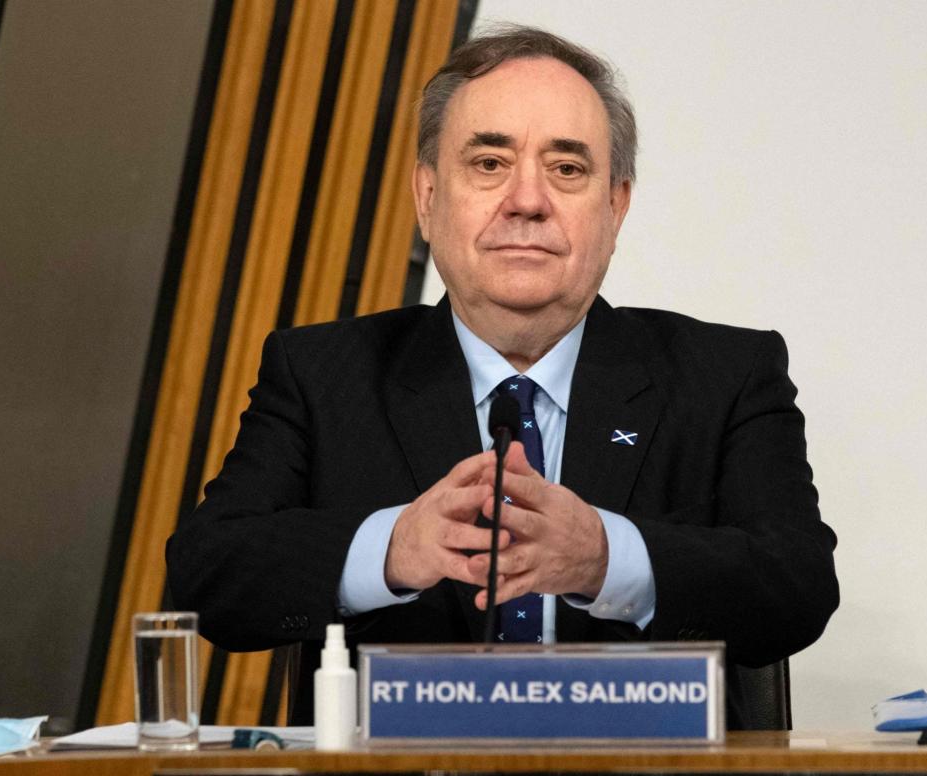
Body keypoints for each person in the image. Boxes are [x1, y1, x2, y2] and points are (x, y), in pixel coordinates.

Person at [166, 25, 838, 728]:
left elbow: (796, 585)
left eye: (568, 170)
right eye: (489, 163)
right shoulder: (322, 374)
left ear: (616, 206)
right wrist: (392, 548)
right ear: (427, 197)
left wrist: (608, 559)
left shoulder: (726, 376)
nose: (527, 200)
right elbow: (208, 575)